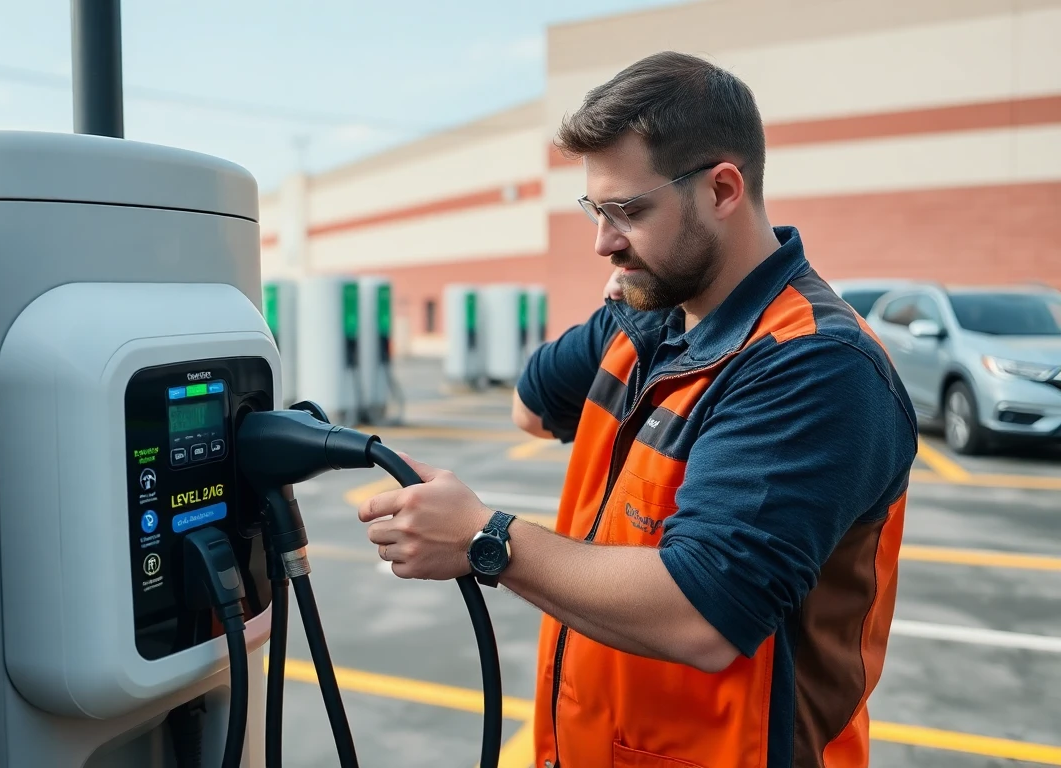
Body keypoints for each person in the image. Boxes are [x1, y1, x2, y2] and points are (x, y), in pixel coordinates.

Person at [357, 50, 918, 768]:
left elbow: (703, 615)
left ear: (722, 190)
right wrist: (630, 302)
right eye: (596, 210)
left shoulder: (815, 363)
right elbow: (532, 407)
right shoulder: (646, 319)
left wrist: (482, 539)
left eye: (628, 211)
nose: (603, 242)